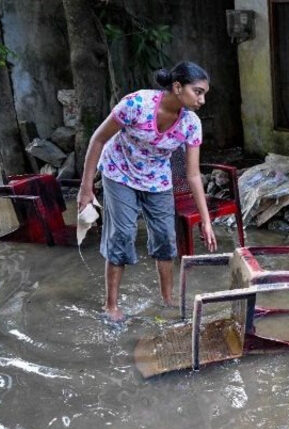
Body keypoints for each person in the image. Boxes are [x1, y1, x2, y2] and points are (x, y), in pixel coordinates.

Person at [77, 61, 217, 322]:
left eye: (204, 94)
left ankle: (167, 299)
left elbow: (193, 174)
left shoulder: (191, 124)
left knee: (165, 236)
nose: (202, 100)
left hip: (157, 179)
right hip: (119, 172)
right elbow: (98, 139)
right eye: (198, 92)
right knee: (122, 234)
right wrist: (85, 189)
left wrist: (206, 221)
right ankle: (111, 305)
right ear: (178, 87)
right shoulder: (136, 104)